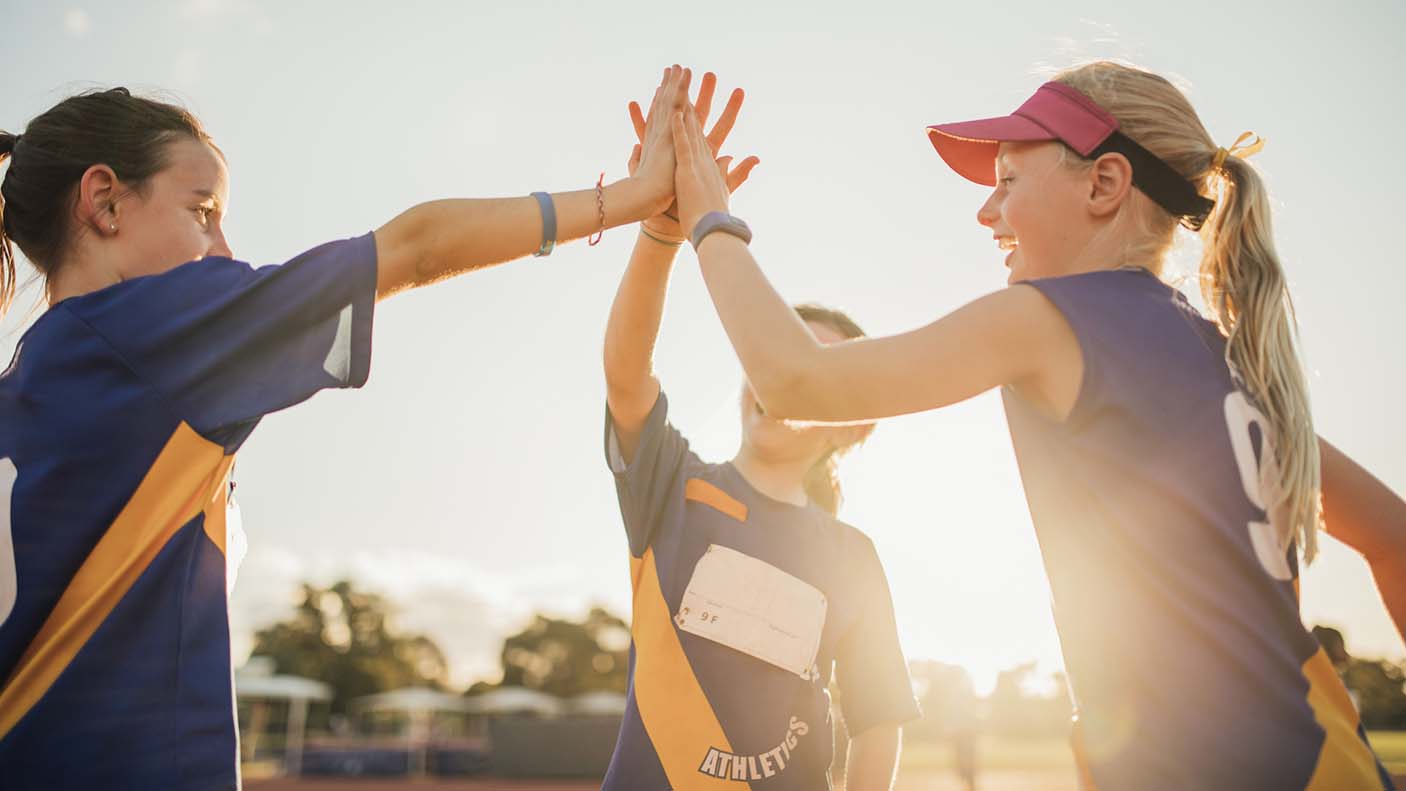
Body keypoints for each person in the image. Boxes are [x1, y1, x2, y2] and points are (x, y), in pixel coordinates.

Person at [668, 62, 1406, 790]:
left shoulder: (1052, 318)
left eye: (1008, 183)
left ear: (1104, 184)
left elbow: (793, 380)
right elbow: (1393, 535)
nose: (988, 213)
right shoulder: (1224, 358)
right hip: (1330, 760)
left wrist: (708, 215)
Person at [0, 65, 688, 788]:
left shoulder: (27, 387)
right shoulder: (156, 329)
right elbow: (418, 245)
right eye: (203, 210)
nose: (226, 247)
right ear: (105, 200)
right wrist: (631, 198)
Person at [602, 71, 919, 791]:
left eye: (813, 367)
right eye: (776, 358)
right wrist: (660, 230)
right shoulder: (673, 485)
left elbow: (878, 723)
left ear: (853, 424)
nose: (780, 381)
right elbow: (626, 372)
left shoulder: (853, 554)